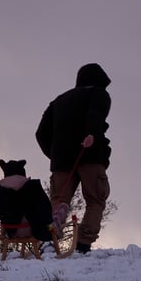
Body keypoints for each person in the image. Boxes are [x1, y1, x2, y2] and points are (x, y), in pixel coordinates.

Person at [35, 63, 112, 254]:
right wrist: (91, 135)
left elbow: (40, 133)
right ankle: (83, 244)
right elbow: (95, 116)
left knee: (59, 200)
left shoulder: (58, 101)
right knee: (95, 200)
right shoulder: (99, 94)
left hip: (61, 162)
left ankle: (49, 241)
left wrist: (53, 154)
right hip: (90, 156)